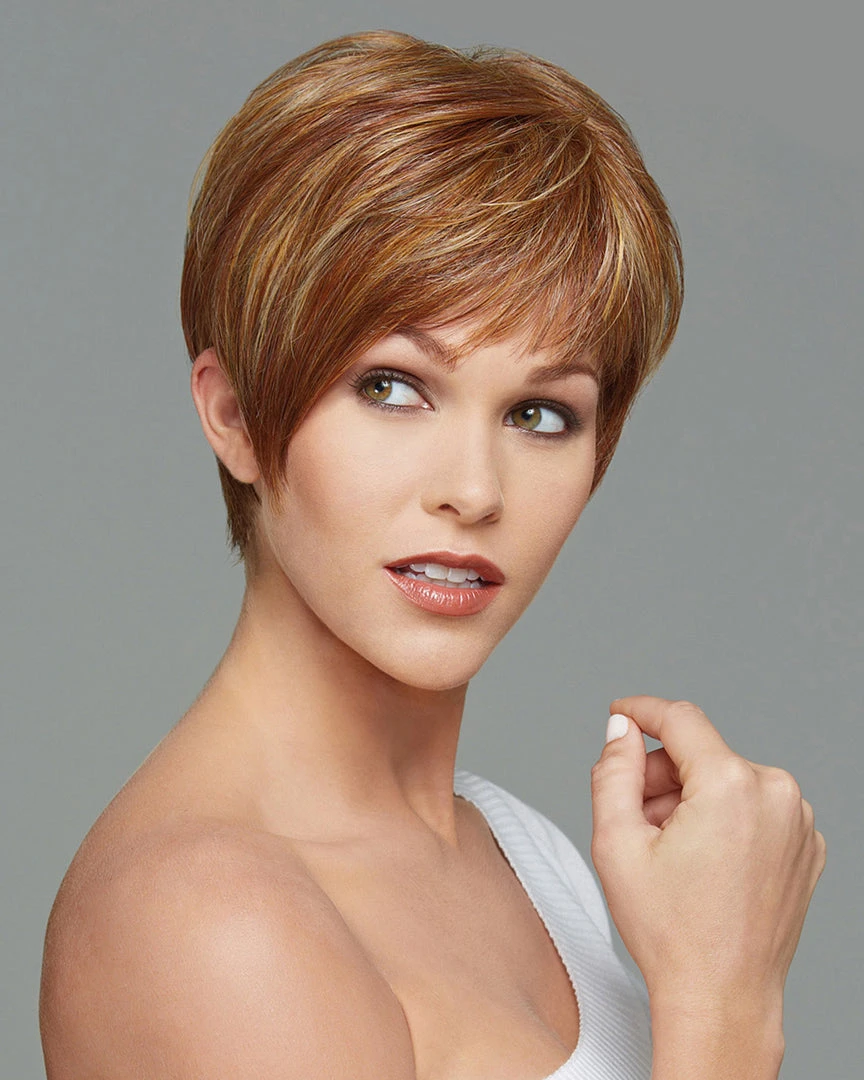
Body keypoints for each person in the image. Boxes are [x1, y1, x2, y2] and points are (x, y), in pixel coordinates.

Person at [39, 30, 825, 1080]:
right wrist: (725, 1003)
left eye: (540, 413)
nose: (475, 489)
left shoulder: (524, 851)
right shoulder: (208, 922)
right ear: (233, 416)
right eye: (393, 388)